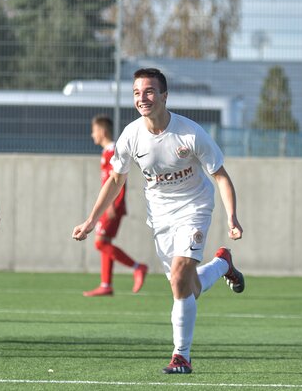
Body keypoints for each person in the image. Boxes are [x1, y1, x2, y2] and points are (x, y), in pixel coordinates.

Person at [72, 68, 245, 374]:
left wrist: (232, 217)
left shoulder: (190, 133)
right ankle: (222, 264)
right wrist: (90, 220)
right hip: (160, 216)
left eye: (150, 91)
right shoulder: (131, 136)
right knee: (186, 287)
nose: (143, 98)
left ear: (165, 96)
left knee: (180, 278)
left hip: (195, 207)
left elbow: (220, 176)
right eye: (137, 93)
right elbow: (115, 180)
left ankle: (182, 356)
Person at [83, 115, 148, 297]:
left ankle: (138, 267)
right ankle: (106, 284)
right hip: (112, 204)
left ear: (102, 131)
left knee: (100, 243)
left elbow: (118, 180)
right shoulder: (107, 152)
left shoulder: (112, 151)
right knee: (106, 242)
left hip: (112, 204)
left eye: (94, 130)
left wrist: (110, 204)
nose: (92, 135)